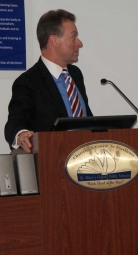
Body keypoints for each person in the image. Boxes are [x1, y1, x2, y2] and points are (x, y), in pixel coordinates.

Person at [4, 9, 93, 153]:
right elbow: (15, 122)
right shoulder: (28, 82)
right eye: (73, 36)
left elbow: (84, 119)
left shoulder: (76, 74)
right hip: (52, 162)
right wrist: (20, 134)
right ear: (54, 40)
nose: (79, 43)